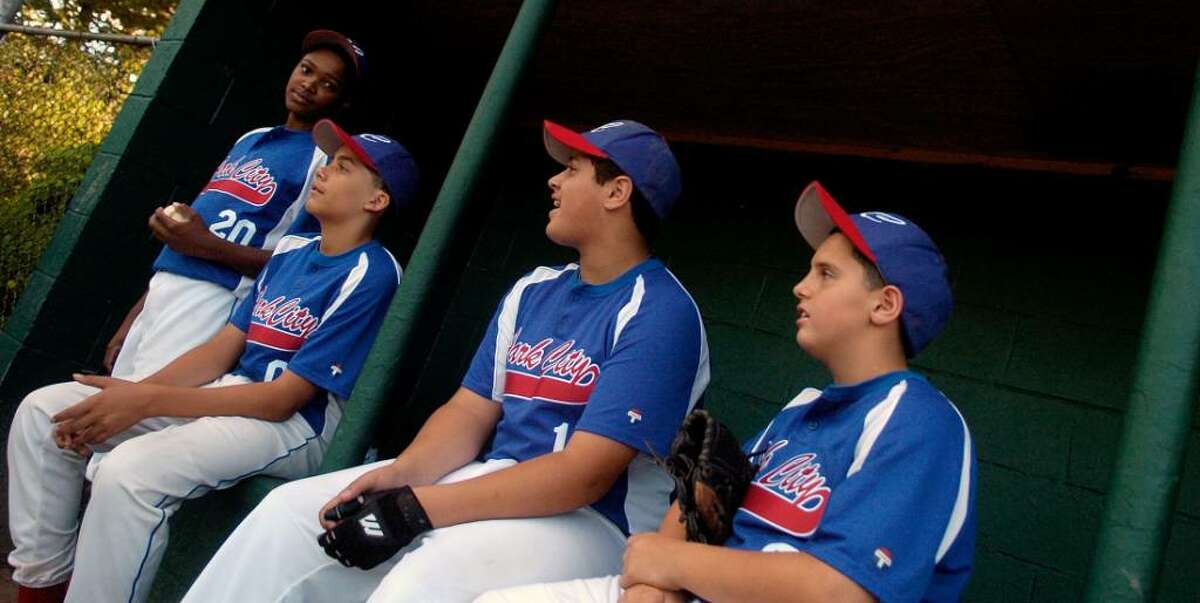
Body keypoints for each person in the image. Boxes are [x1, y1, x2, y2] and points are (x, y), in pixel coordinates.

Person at [181, 119, 711, 603]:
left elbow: (583, 476)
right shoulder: (533, 289)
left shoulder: (662, 311)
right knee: (286, 517)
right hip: (491, 479)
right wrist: (401, 475)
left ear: (617, 192)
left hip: (593, 522)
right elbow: (469, 410)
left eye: (572, 170)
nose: (553, 182)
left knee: (424, 576)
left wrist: (418, 508)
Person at [482, 180, 977, 603]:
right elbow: (697, 510)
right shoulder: (800, 412)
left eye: (826, 274)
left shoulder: (920, 421)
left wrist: (670, 563)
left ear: (885, 305)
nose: (800, 288)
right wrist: (656, 581)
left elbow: (838, 589)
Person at [6, 121, 418, 603]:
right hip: (229, 393)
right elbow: (221, 347)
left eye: (344, 167)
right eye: (329, 161)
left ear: (376, 201)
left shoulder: (373, 273)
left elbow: (284, 399)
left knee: (130, 474)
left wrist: (147, 402)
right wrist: (131, 394)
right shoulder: (290, 251)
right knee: (44, 412)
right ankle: (44, 587)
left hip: (296, 427)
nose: (325, 171)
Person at [104, 28, 367, 379]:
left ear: (343, 101)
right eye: (306, 69)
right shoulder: (250, 138)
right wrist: (136, 312)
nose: (309, 84)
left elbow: (299, 263)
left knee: (140, 411)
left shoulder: (324, 161)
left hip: (217, 296)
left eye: (329, 84)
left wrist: (206, 246)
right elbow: (187, 242)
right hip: (166, 284)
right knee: (112, 403)